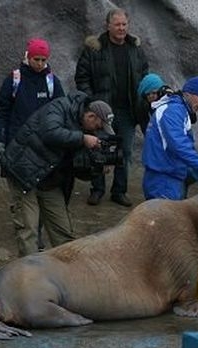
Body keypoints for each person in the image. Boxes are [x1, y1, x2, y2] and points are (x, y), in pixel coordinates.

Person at [0, 92, 109, 256]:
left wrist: (97, 168)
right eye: (99, 126)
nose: (98, 131)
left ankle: (68, 274)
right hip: (24, 172)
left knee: (63, 232)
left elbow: (77, 167)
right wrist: (82, 139)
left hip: (50, 179)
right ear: (91, 116)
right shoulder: (59, 107)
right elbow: (50, 133)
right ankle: (29, 278)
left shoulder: (86, 131)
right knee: (29, 230)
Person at [0, 38, 65, 252]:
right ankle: (28, 241)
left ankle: (37, 237)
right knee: (23, 200)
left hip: (43, 151)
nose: (40, 63)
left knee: (41, 194)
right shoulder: (14, 79)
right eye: (36, 59)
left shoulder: (52, 82)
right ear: (28, 56)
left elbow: (61, 110)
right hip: (17, 150)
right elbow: (2, 111)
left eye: (44, 59)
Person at [74, 8, 149, 207]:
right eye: (117, 24)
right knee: (98, 150)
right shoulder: (94, 49)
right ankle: (97, 189)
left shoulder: (135, 49)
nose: (121, 28)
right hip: (101, 111)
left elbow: (144, 75)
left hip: (128, 110)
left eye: (124, 24)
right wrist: (91, 102)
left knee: (124, 151)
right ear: (108, 25)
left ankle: (119, 191)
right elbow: (82, 77)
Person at [142, 76, 198, 200]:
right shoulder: (173, 111)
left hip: (167, 178)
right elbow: (178, 144)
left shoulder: (177, 109)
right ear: (189, 94)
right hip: (164, 181)